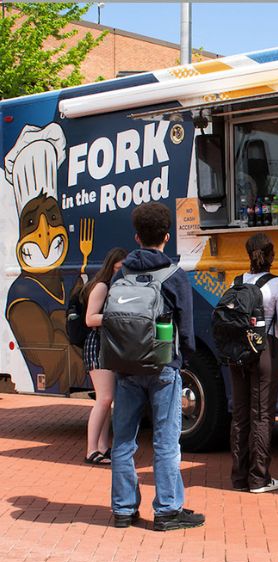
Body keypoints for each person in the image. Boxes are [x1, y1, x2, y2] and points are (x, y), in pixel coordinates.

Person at [109, 202, 204, 531]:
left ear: (136, 237)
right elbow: (187, 330)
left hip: (126, 366)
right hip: (163, 367)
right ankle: (166, 509)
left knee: (123, 440)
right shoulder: (175, 276)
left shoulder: (123, 273)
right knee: (166, 441)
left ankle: (123, 509)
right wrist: (181, 361)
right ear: (167, 236)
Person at [230, 233, 278, 493]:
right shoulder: (277, 284)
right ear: (271, 255)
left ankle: (239, 477)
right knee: (262, 414)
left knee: (240, 415)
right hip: (265, 350)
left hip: (238, 352)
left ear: (248, 255)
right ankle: (259, 479)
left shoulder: (235, 282)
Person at [82, 247, 128, 465]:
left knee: (107, 399)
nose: (122, 272)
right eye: (119, 267)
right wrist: (115, 316)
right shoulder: (101, 286)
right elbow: (90, 319)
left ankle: (102, 447)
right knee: (104, 398)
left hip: (107, 345)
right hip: (98, 344)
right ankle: (91, 449)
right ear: (112, 266)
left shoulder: (112, 286)